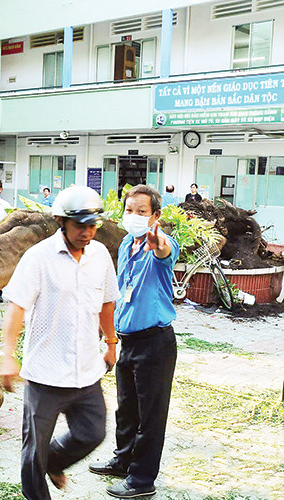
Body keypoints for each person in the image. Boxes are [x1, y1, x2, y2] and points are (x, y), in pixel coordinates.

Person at [0, 185, 120, 500]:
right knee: (33, 452)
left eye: (93, 224)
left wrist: (110, 343)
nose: (88, 231)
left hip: (86, 370)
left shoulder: (100, 255)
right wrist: (7, 356)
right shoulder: (38, 258)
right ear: (61, 221)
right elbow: (17, 307)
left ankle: (56, 461)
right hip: (46, 375)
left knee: (92, 433)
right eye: (80, 224)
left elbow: (107, 303)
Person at [88, 185, 179, 499]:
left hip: (155, 343)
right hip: (128, 341)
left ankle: (142, 480)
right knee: (126, 408)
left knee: (151, 414)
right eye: (129, 210)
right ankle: (123, 460)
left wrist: (160, 243)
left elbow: (165, 251)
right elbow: (120, 291)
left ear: (155, 215)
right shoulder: (126, 243)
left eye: (142, 212)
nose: (134, 217)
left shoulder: (161, 246)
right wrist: (109, 331)